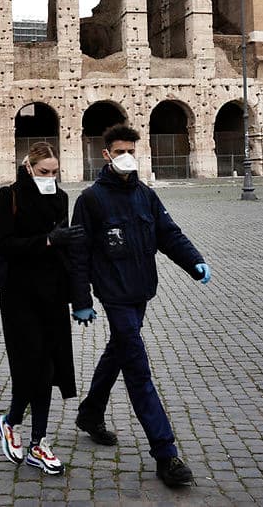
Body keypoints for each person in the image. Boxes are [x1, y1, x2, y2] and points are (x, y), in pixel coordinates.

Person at [68, 124, 212, 488]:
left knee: (119, 350)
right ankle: (165, 453)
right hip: (113, 295)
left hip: (141, 291)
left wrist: (194, 261)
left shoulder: (145, 195)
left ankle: (89, 413)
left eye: (131, 150)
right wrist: (81, 300)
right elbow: (79, 254)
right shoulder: (91, 199)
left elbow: (168, 233)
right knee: (137, 368)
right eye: (119, 151)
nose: (126, 156)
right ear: (106, 155)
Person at [0, 141, 85, 475]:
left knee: (48, 368)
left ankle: (37, 442)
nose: (50, 177)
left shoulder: (61, 198)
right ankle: (15, 423)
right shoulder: (10, 196)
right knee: (30, 367)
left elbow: (67, 252)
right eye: (44, 172)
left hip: (53, 293)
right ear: (29, 167)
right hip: (19, 295)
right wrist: (47, 240)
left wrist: (80, 297)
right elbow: (3, 244)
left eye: (55, 172)